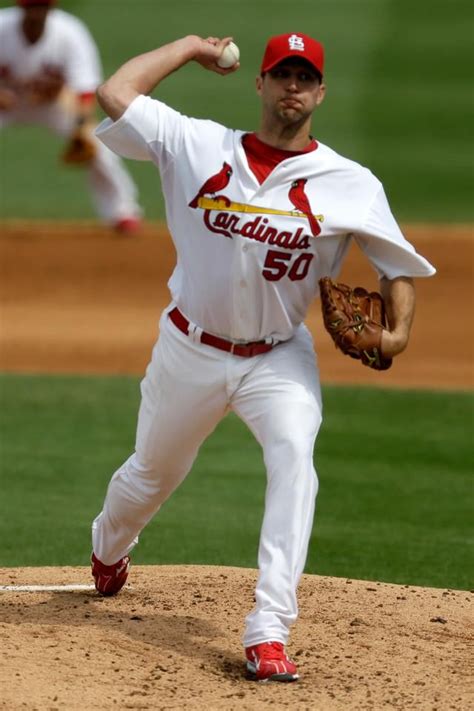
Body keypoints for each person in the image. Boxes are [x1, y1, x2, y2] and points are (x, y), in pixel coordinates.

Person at [90, 33, 436, 681]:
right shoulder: (197, 145)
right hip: (188, 349)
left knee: (295, 464)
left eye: (305, 77)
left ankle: (268, 629)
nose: (292, 87)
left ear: (321, 92)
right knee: (148, 478)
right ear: (261, 84)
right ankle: (110, 547)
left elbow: (396, 270)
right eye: (282, 74)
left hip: (279, 359)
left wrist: (397, 333)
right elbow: (115, 93)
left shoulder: (349, 184)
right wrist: (191, 47)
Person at [0, 0, 142, 233]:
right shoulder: (1, 27)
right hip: (5, 104)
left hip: (53, 105)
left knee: (96, 141)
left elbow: (84, 90)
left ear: (51, 7)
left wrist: (80, 127)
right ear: (20, 7)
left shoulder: (70, 32)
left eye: (41, 5)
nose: (36, 11)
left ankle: (122, 212)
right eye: (31, 6)